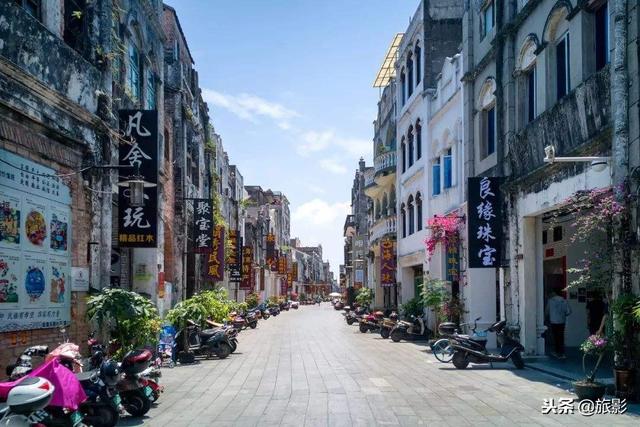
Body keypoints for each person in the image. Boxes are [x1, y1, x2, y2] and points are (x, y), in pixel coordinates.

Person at [545, 288, 571, 359]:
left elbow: (547, 311)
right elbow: (568, 311)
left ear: (554, 292)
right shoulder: (564, 300)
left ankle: (557, 352)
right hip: (562, 321)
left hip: (553, 321)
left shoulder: (550, 301)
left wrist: (546, 317)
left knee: (555, 337)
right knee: (561, 337)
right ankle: (562, 353)